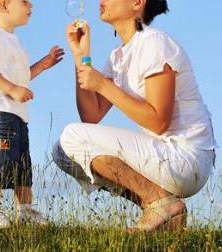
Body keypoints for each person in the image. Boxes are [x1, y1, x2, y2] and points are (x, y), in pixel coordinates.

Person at [52, 0, 217, 232]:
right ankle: (162, 210)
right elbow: (91, 115)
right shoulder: (119, 56)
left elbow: (159, 121)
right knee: (63, 152)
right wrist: (81, 56)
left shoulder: (155, 43)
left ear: (137, 3)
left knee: (71, 135)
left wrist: (103, 85)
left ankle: (160, 203)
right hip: (163, 157)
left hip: (186, 159)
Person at [0, 0, 64, 228]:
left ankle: (25, 211)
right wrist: (12, 89)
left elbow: (20, 77)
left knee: (22, 165)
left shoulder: (12, 40)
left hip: (17, 116)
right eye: (24, 1)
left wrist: (43, 64)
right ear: (5, 5)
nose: (30, 5)